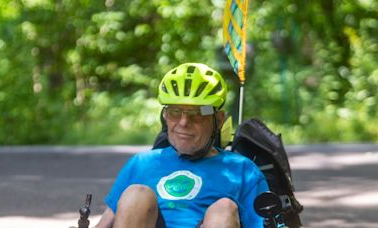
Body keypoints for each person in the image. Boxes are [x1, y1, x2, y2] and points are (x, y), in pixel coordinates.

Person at [94, 63, 269, 228]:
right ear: (165, 117)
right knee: (136, 195)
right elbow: (105, 223)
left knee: (223, 209)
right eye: (175, 112)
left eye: (197, 113)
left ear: (219, 119)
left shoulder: (242, 170)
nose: (184, 122)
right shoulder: (141, 163)